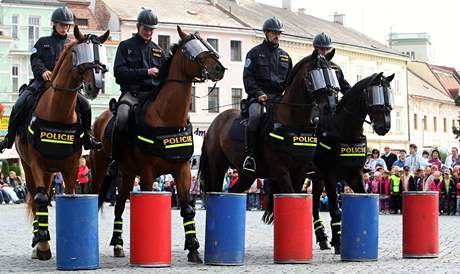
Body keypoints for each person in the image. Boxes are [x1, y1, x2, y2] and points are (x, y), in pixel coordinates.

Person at [0, 7, 101, 153]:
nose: (64, 28)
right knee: (21, 102)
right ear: (54, 24)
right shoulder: (43, 42)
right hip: (43, 82)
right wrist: (43, 71)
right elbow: (35, 59)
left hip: (66, 86)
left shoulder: (73, 45)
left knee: (85, 105)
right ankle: (8, 139)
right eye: (61, 25)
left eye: (67, 25)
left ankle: (87, 137)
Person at [110, 8, 166, 171]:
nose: (148, 32)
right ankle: (116, 159)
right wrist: (146, 72)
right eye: (145, 28)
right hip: (132, 94)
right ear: (138, 26)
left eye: (151, 29)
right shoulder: (125, 46)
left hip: (153, 96)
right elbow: (119, 73)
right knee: (121, 117)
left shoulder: (158, 50)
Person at [242, 16, 292, 172]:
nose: (276, 35)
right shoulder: (254, 53)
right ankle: (250, 156)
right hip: (259, 98)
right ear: (266, 33)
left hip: (279, 99)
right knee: (256, 116)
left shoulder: (285, 56)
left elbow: (290, 82)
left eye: (278, 33)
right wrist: (258, 93)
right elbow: (248, 77)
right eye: (273, 32)